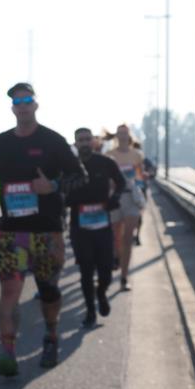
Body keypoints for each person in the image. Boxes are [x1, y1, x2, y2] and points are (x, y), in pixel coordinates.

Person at [0, 83, 87, 376]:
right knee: (9, 291)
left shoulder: (53, 141)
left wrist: (52, 186)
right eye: (17, 101)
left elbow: (80, 177)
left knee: (48, 290)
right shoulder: (0, 143)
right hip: (11, 231)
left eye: (27, 100)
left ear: (36, 105)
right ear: (12, 108)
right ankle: (8, 352)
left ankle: (51, 336)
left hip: (46, 230)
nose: (23, 105)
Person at [66, 128, 127, 327]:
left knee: (106, 269)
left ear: (93, 141)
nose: (84, 143)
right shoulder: (69, 165)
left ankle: (101, 293)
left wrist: (115, 199)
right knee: (85, 269)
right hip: (79, 225)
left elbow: (121, 182)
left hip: (102, 223)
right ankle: (90, 311)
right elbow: (60, 188)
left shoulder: (105, 162)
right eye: (80, 140)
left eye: (87, 139)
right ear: (75, 143)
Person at [105, 124, 145, 290]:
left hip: (130, 197)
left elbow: (140, 177)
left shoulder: (137, 155)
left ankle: (124, 277)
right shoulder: (109, 155)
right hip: (115, 197)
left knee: (128, 239)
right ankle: (116, 257)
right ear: (116, 136)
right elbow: (105, 178)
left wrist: (138, 180)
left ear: (129, 136)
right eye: (120, 133)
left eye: (125, 133)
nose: (122, 136)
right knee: (116, 238)